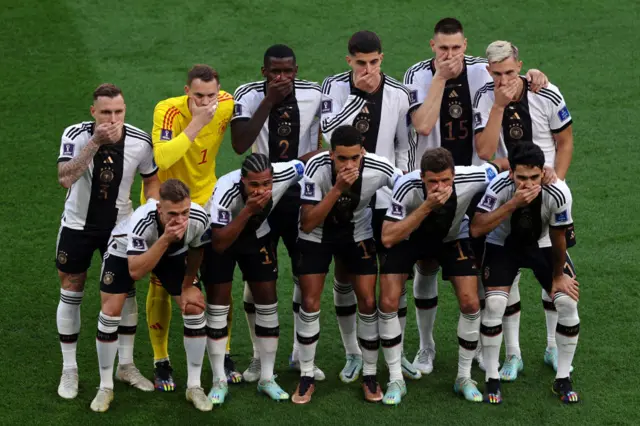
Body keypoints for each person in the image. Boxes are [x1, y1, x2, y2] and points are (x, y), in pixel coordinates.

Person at [403, 17, 548, 376]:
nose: (450, 55)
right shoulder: (416, 75)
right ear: (432, 47)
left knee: (489, 264)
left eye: (455, 48)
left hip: (477, 181)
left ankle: (496, 349)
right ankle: (426, 347)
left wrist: (535, 76)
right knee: (427, 263)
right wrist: (440, 77)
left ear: (465, 46)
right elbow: (422, 125)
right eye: (442, 48)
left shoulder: (482, 72)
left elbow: (510, 80)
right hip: (434, 182)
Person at [473, 40, 575, 380]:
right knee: (508, 276)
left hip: (546, 192)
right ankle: (513, 355)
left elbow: (565, 141)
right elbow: (485, 151)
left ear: (521, 65)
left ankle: (550, 346)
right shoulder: (485, 97)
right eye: (498, 74)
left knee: (553, 270)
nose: (504, 80)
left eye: (510, 72)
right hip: (507, 191)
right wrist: (499, 106)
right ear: (489, 71)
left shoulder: (546, 92)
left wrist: (556, 179)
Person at [320, 30, 415, 382]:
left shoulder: (400, 94)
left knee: (394, 274)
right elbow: (329, 133)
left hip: (387, 196)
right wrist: (357, 95)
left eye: (374, 62)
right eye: (361, 63)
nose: (368, 68)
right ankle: (352, 353)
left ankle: (397, 349)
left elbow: (405, 146)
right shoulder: (333, 87)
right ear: (349, 61)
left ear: (382, 58)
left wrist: (403, 184)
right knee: (347, 273)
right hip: (345, 192)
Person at [55, 83, 160, 399]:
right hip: (77, 226)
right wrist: (95, 143)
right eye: (105, 113)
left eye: (118, 112)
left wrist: (150, 211)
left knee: (124, 293)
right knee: (72, 288)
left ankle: (125, 365)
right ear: (93, 112)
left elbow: (151, 179)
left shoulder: (140, 141)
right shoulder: (76, 135)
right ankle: (69, 369)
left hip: (120, 228)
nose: (112, 119)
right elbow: (65, 177)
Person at [378, 148, 507, 405]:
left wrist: (544, 173)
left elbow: (501, 166)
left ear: (454, 175)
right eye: (432, 181)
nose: (439, 186)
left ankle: (464, 377)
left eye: (445, 180)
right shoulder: (406, 186)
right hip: (409, 237)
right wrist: (427, 205)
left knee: (471, 303)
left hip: (451, 238)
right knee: (388, 302)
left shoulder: (471, 177)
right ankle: (396, 378)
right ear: (422, 177)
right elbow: (388, 236)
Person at [230, 44, 325, 382]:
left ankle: (301, 353)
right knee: (257, 278)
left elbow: (328, 135)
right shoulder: (247, 94)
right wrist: (269, 100)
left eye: (288, 71)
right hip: (261, 197)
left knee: (304, 272)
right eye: (275, 72)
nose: (282, 78)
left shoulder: (315, 93)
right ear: (264, 72)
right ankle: (258, 356)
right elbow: (240, 143)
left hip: (301, 197)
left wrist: (316, 154)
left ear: (296, 70)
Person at [292, 125, 403, 404]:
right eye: (342, 158)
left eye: (355, 158)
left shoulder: (380, 167)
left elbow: (407, 187)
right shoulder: (315, 168)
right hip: (317, 235)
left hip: (358, 232)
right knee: (310, 301)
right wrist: (339, 187)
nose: (349, 164)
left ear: (363, 152)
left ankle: (369, 374)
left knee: (367, 301)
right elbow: (307, 222)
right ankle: (306, 375)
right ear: (331, 155)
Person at [144, 64, 238, 391]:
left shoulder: (227, 102)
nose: (206, 101)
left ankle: (223, 351)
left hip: (208, 199)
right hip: (170, 205)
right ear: (187, 91)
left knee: (217, 278)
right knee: (160, 283)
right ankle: (161, 359)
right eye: (198, 95)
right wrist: (198, 122)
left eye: (211, 95)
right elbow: (164, 157)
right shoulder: (167, 111)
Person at [470, 142, 580, 404]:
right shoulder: (498, 187)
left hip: (542, 244)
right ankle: (492, 380)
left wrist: (557, 276)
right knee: (495, 303)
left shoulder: (558, 192)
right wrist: (512, 204)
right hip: (502, 244)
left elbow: (558, 236)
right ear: (511, 174)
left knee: (566, 302)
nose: (528, 184)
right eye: (521, 177)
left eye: (534, 177)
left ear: (543, 172)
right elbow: (476, 228)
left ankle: (562, 379)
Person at [90, 179, 212, 412]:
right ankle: (105, 386)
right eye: (173, 214)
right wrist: (165, 238)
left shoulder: (198, 217)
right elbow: (135, 271)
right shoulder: (142, 220)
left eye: (184, 212)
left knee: (194, 307)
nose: (180, 220)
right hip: (125, 252)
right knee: (110, 312)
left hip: (172, 254)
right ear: (159, 208)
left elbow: (197, 249)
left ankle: (194, 387)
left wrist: (188, 285)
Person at [203, 153, 305, 404]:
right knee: (218, 304)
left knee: (267, 300)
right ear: (242, 180)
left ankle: (267, 378)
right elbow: (219, 242)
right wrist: (249, 210)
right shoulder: (226, 191)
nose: (261, 190)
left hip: (257, 237)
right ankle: (219, 379)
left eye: (266, 184)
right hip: (220, 237)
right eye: (254, 185)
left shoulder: (283, 173)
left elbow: (306, 161)